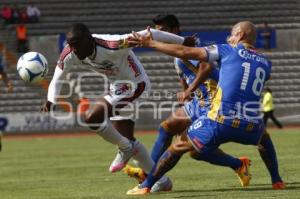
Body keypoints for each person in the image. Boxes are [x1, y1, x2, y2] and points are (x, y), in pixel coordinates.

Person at [124, 15, 285, 191]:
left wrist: (150, 43)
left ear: (239, 34)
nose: (228, 38)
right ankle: (276, 180)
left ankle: (147, 184)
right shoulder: (266, 63)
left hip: (219, 113)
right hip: (251, 120)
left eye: (231, 34)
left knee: (180, 145)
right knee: (263, 138)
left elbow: (193, 57)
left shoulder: (227, 50)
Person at [41, 23, 195, 191]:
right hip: (118, 88)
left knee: (92, 117)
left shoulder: (113, 44)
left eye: (76, 44)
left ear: (88, 40)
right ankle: (161, 180)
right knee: (129, 139)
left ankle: (125, 148)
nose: (73, 49)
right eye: (70, 44)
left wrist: (183, 41)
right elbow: (57, 76)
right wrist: (51, 99)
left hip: (137, 85)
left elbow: (151, 33)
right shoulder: (70, 52)